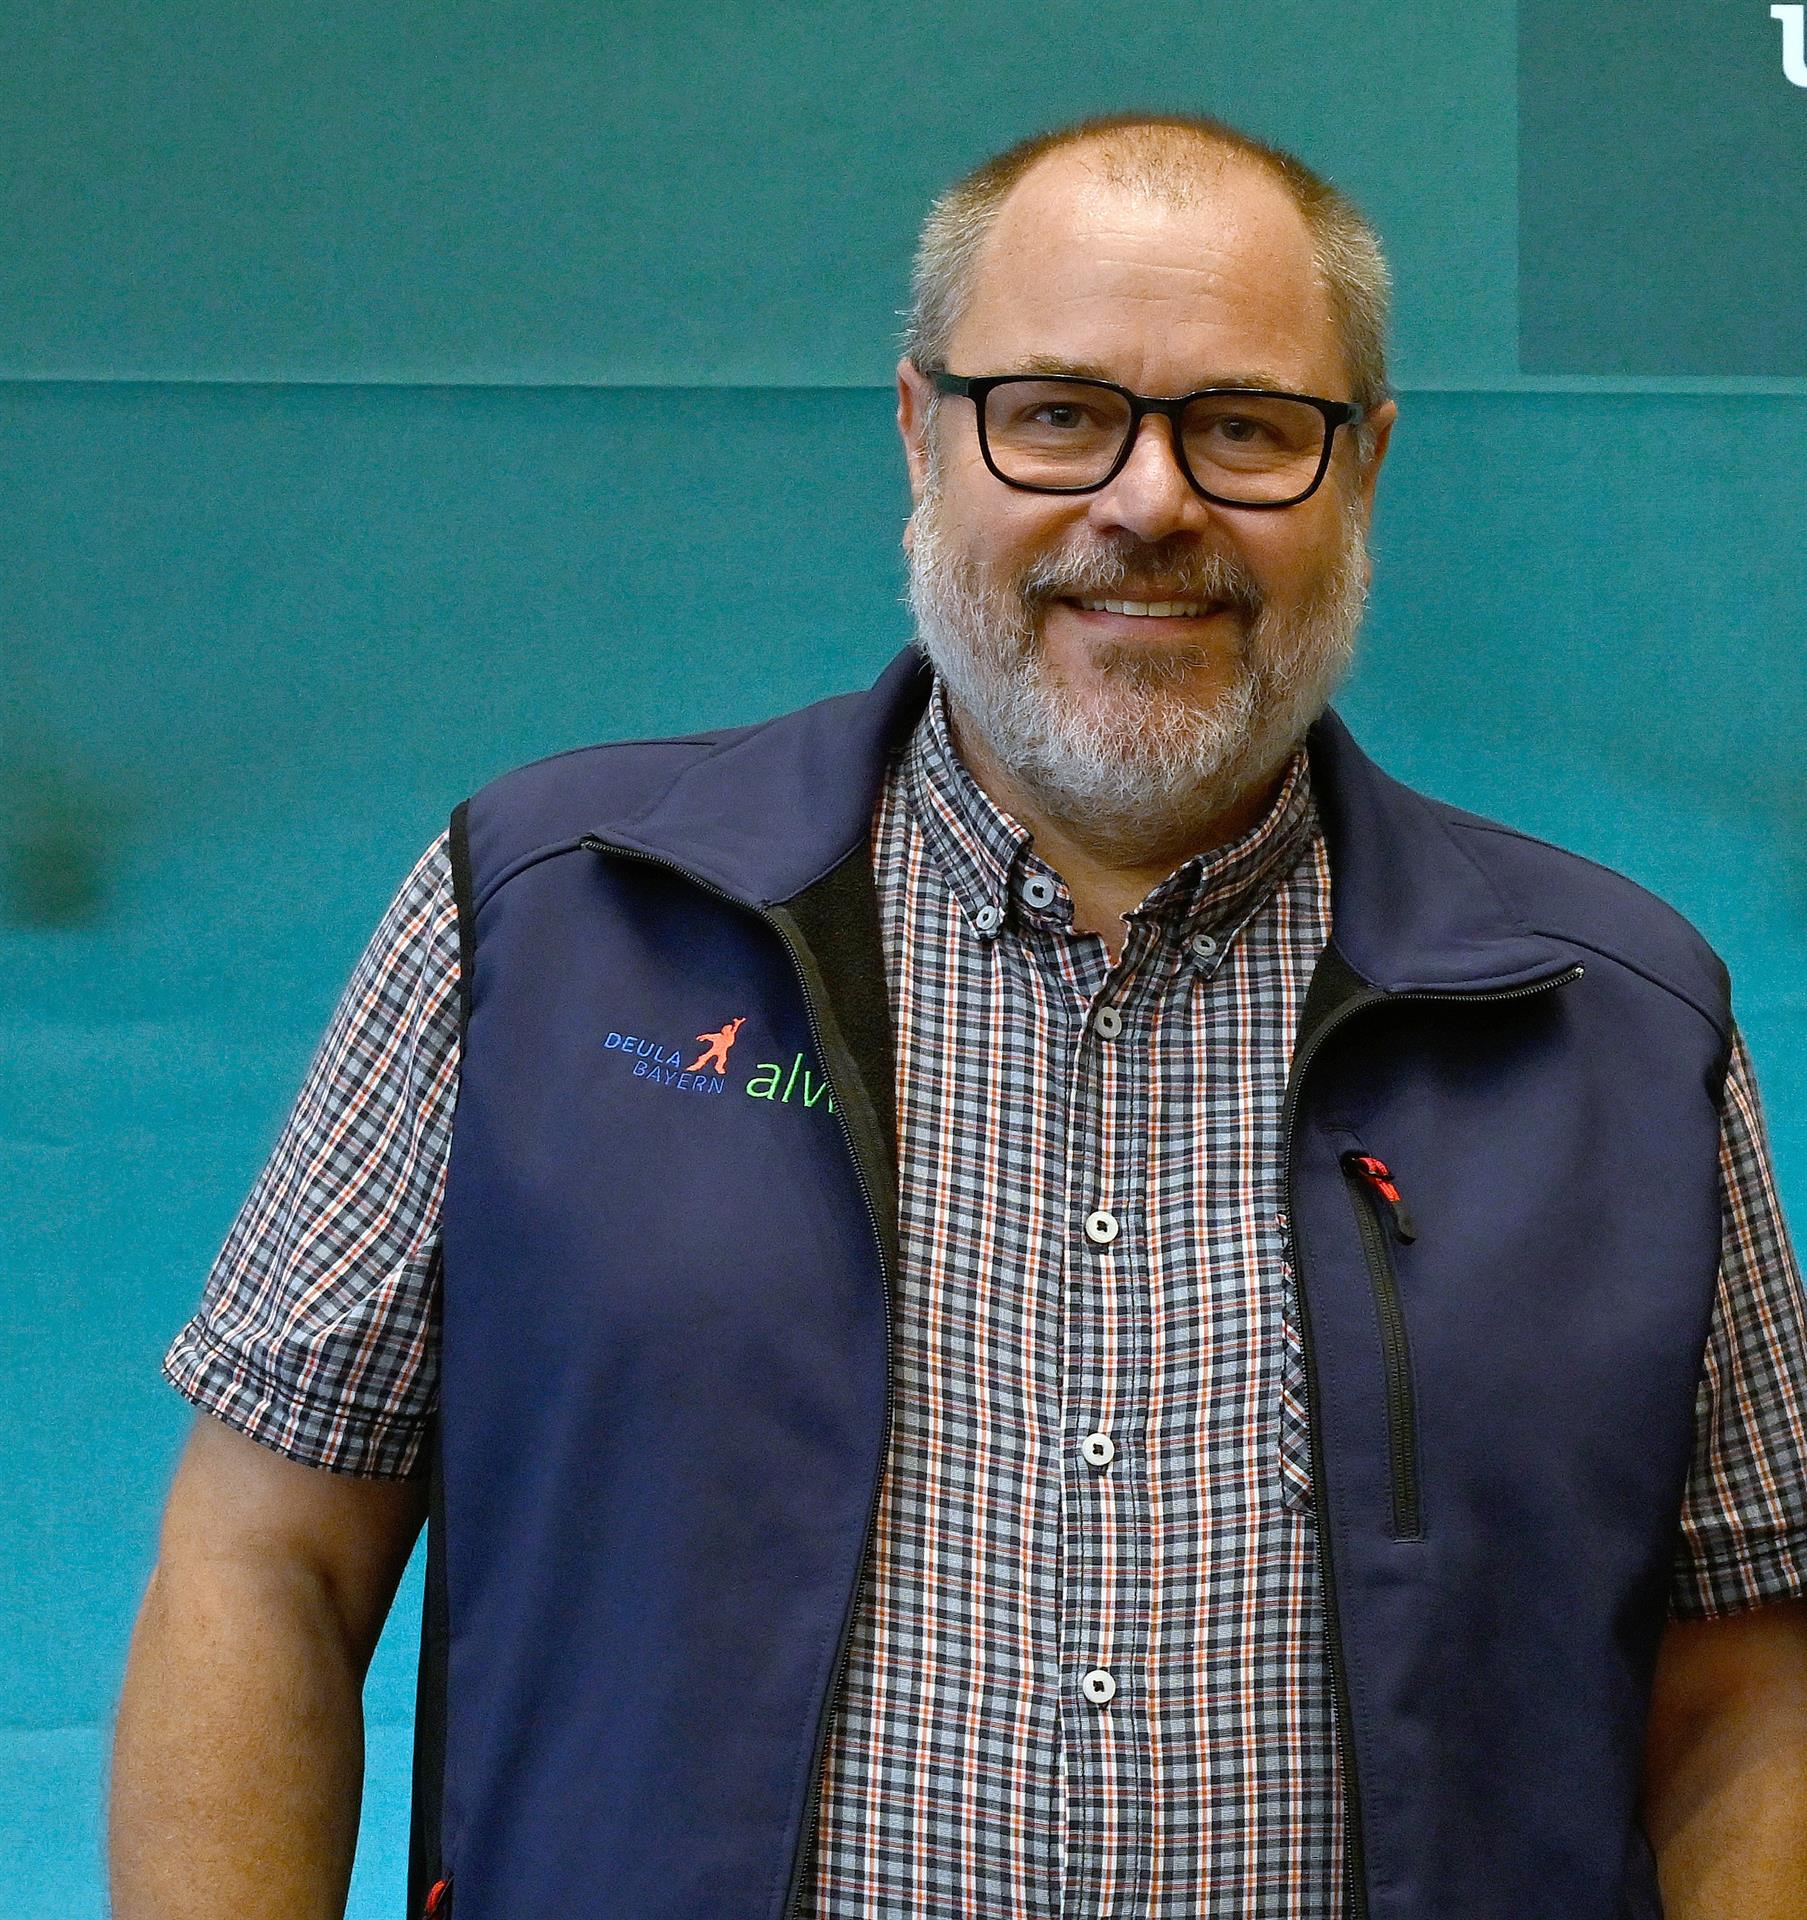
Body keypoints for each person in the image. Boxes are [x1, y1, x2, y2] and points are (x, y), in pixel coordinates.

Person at [109, 112, 1807, 1920]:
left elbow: (1747, 1691)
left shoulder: (1621, 1032)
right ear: (920, 432)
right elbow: (264, 1563)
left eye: (1244, 427)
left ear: (1363, 469)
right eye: (1059, 414)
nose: (1150, 504)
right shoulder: (550, 920)